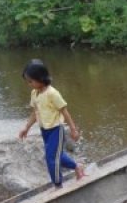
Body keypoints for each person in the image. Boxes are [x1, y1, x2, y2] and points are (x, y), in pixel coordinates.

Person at [18, 59, 85, 187]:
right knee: (57, 156)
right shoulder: (35, 93)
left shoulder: (52, 93)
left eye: (31, 81)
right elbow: (35, 113)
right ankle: (77, 167)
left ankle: (58, 185)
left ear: (40, 78)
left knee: (50, 158)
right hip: (45, 131)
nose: (29, 84)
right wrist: (26, 127)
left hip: (56, 130)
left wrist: (73, 129)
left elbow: (65, 112)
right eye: (28, 81)